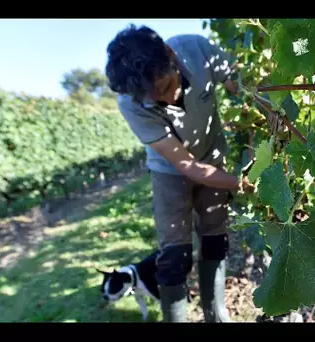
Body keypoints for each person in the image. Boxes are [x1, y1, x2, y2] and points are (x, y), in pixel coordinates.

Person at [104, 24, 252, 323]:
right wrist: (244, 184)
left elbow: (244, 88)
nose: (166, 101)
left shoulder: (198, 50)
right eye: (153, 99)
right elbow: (187, 166)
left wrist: (261, 112)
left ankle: (216, 314)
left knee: (215, 238)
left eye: (164, 87)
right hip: (169, 171)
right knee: (174, 254)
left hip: (212, 156)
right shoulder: (130, 101)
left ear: (170, 56)